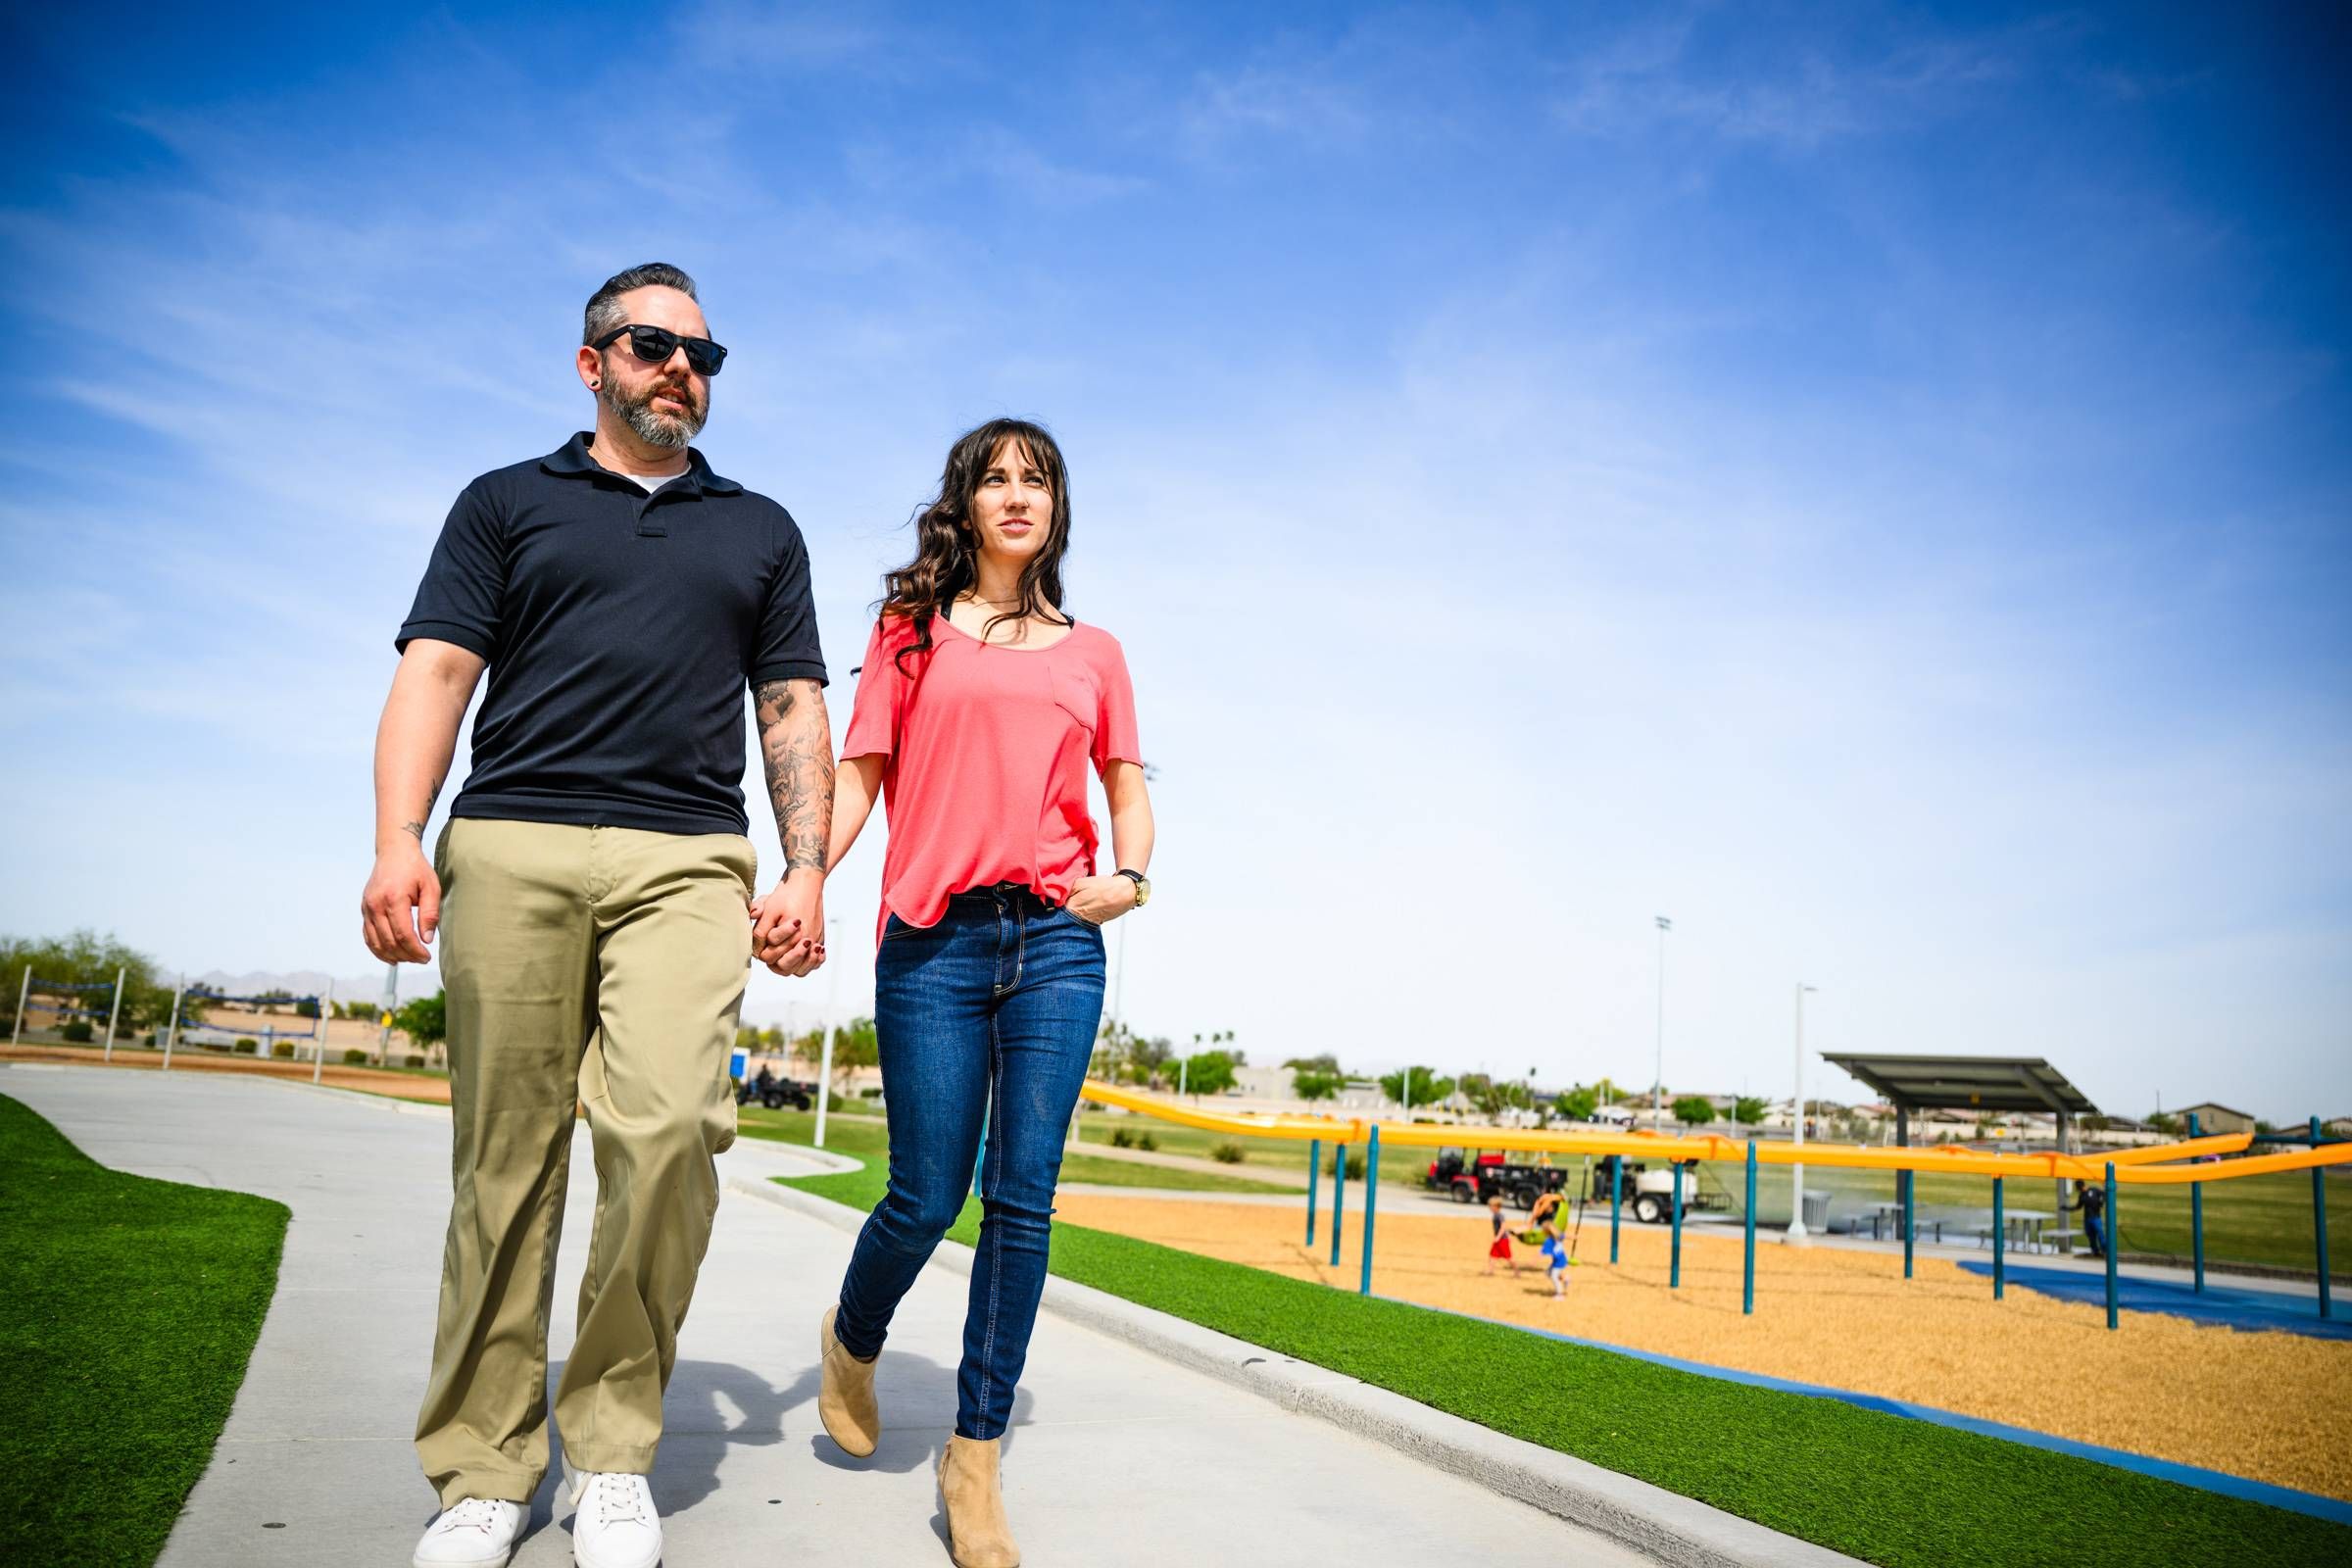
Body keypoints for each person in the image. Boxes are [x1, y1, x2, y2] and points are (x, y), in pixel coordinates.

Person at [363, 263, 835, 1568]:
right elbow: (438, 670)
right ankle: (485, 1467)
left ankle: (615, 1447)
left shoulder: (761, 529)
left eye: (702, 353)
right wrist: (401, 839)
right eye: (651, 344)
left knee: (675, 1126)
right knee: (502, 1163)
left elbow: (791, 706)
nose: (680, 366)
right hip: (511, 841)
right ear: (592, 363)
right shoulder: (507, 502)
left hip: (689, 858)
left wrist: (805, 870)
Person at [795, 417, 1152, 1568]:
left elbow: (1128, 788)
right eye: (994, 478)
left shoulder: (1095, 651)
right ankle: (852, 1341)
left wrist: (1129, 876)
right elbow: (859, 778)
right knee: (923, 1192)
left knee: (1024, 1199)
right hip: (933, 942)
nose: (1015, 495)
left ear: (1056, 508)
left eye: (1035, 479)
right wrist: (802, 881)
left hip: (1055, 940)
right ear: (967, 501)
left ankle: (975, 1454)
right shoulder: (907, 634)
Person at [2065, 1179, 2109, 1259]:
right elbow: (2078, 1207)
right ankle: (2095, 1252)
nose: (2078, 1189)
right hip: (2087, 1219)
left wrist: (2102, 1202)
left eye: (2078, 1187)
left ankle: (2105, 1251)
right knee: (2091, 1236)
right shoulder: (2081, 1195)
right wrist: (2067, 1208)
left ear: (2080, 1186)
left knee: (2100, 1234)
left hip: (2096, 1218)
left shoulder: (2093, 1190)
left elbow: (2104, 1194)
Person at [1484, 1195, 1519, 1275]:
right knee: (1493, 1255)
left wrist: (1498, 1237)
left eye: (1491, 1206)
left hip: (1502, 1240)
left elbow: (1503, 1227)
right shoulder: (1495, 1215)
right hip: (1499, 1239)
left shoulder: (1500, 1215)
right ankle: (1490, 1270)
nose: (1489, 1207)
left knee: (1509, 1257)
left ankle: (1517, 1272)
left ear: (1496, 1206)